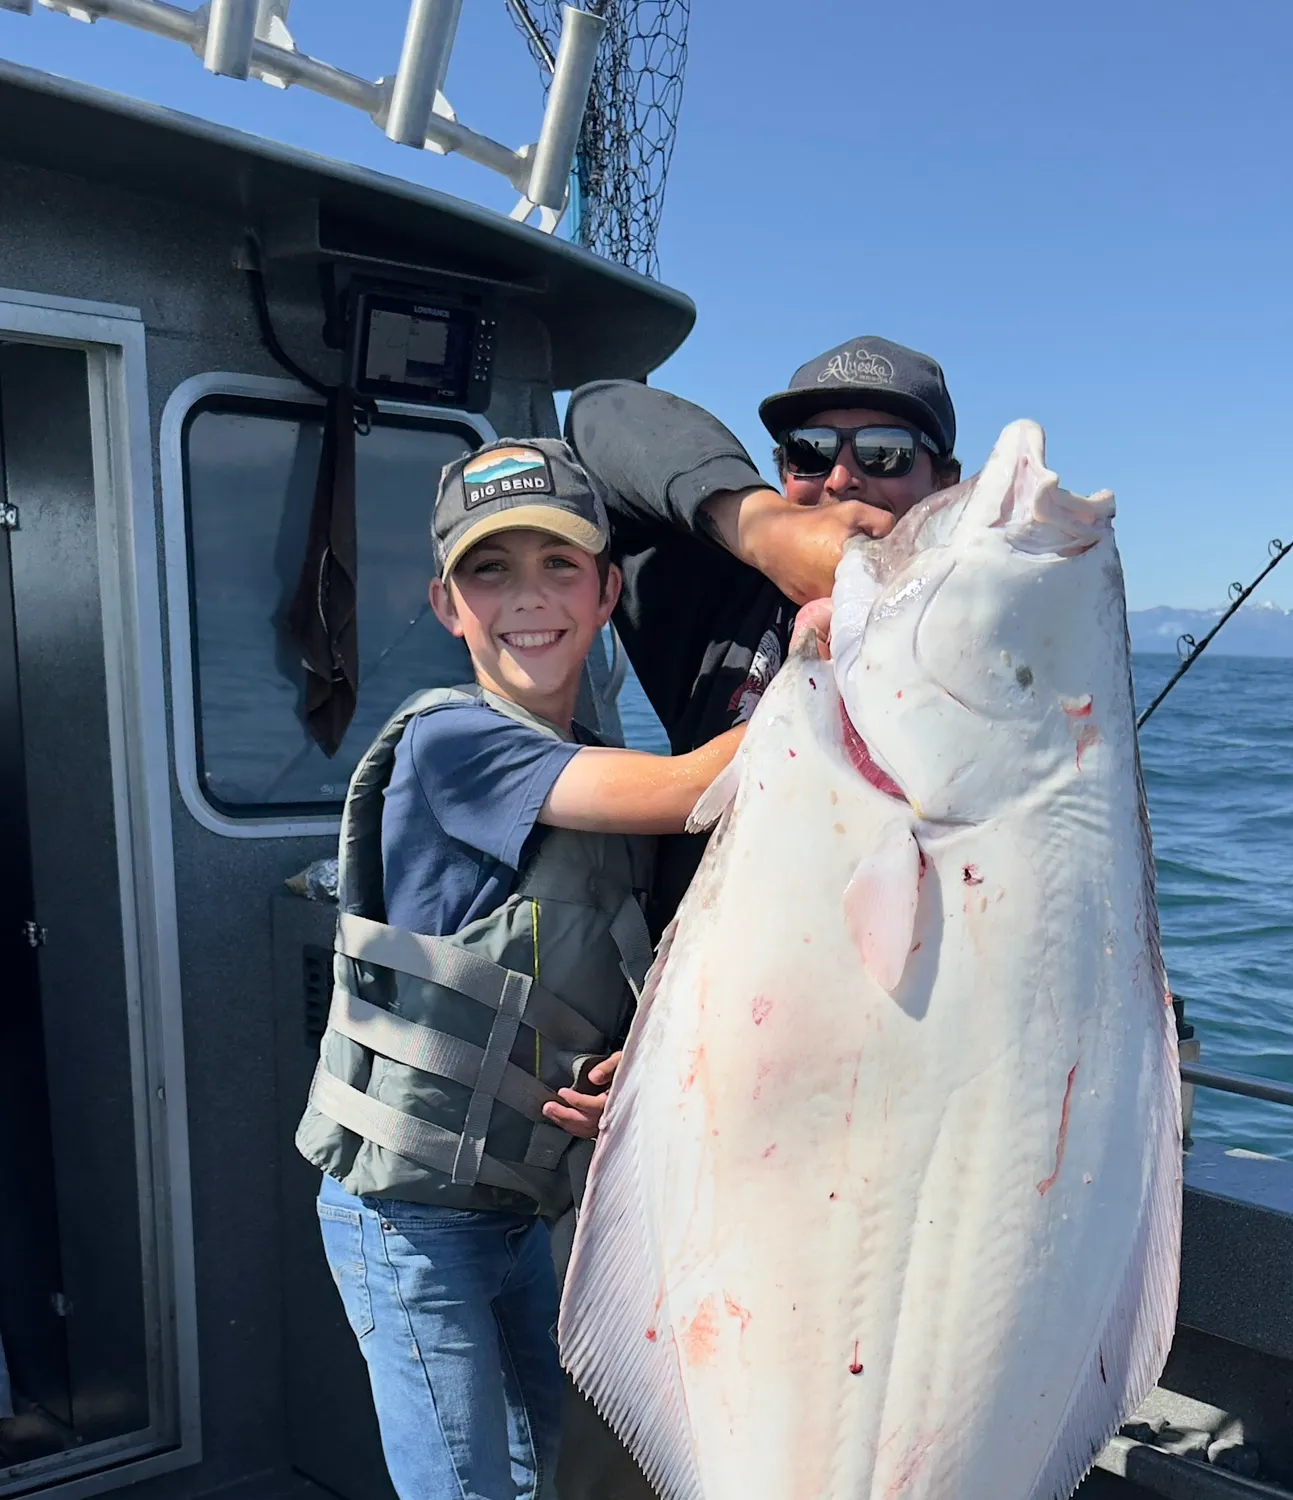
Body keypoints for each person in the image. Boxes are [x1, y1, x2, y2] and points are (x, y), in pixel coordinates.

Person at [293, 437, 745, 1500]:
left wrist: (621, 1071)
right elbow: (696, 789)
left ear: (607, 593)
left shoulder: (591, 761)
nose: (528, 597)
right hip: (408, 1224)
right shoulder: (454, 743)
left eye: (559, 565)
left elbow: (597, 969)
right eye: (489, 570)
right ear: (447, 606)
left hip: (517, 1216)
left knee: (544, 1470)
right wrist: (841, 657)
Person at [566, 334, 961, 928]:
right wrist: (762, 526)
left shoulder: (982, 644)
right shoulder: (724, 603)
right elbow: (600, 412)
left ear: (945, 484)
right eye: (810, 451)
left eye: (885, 452)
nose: (841, 478)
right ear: (782, 472)